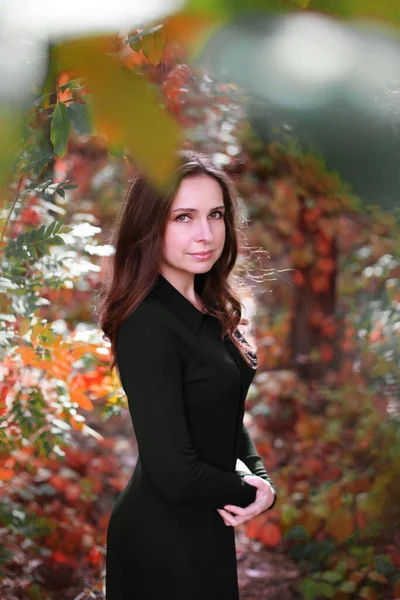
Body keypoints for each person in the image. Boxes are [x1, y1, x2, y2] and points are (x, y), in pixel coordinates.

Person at [98, 148, 277, 600]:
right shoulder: (148, 324)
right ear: (149, 225)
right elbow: (174, 472)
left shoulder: (209, 308)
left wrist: (259, 476)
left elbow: (222, 412)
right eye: (183, 217)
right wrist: (247, 490)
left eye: (215, 215)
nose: (205, 234)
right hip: (161, 539)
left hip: (206, 523)